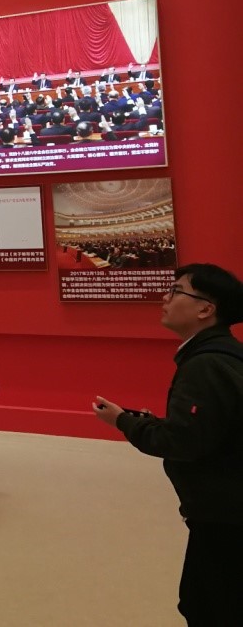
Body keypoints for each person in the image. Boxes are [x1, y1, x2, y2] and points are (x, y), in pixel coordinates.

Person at [93, 263, 243, 627]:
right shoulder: (222, 355)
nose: (165, 297)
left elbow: (182, 442)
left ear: (206, 309)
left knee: (207, 606)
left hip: (223, 514)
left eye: (177, 291)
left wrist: (124, 421)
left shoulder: (206, 365)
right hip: (224, 508)